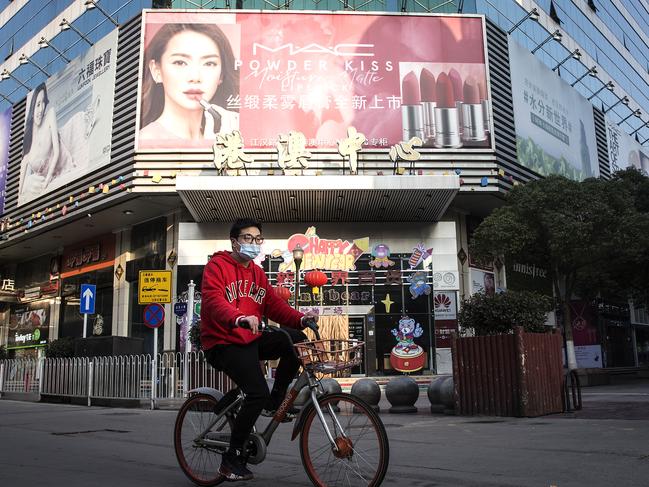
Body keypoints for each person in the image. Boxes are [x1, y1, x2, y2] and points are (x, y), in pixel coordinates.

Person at [201, 218, 318, 482]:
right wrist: (237, 317)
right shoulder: (216, 267)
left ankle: (276, 401)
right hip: (224, 341)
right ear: (234, 241)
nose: (253, 243)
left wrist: (301, 318)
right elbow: (213, 301)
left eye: (257, 239)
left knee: (295, 340)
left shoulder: (257, 272)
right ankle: (230, 460)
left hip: (249, 338)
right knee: (255, 393)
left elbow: (274, 305)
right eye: (248, 238)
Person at [139, 23, 240, 147]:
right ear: (156, 70)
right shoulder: (146, 142)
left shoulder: (224, 134)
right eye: (180, 62)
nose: (195, 77)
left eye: (209, 63)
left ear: (221, 75)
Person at [19, 83, 74, 201]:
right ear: (32, 107)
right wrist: (26, 186)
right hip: (49, 182)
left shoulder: (50, 115)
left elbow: (57, 151)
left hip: (66, 156)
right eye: (38, 104)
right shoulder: (27, 141)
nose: (41, 109)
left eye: (43, 102)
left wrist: (47, 181)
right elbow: (20, 189)